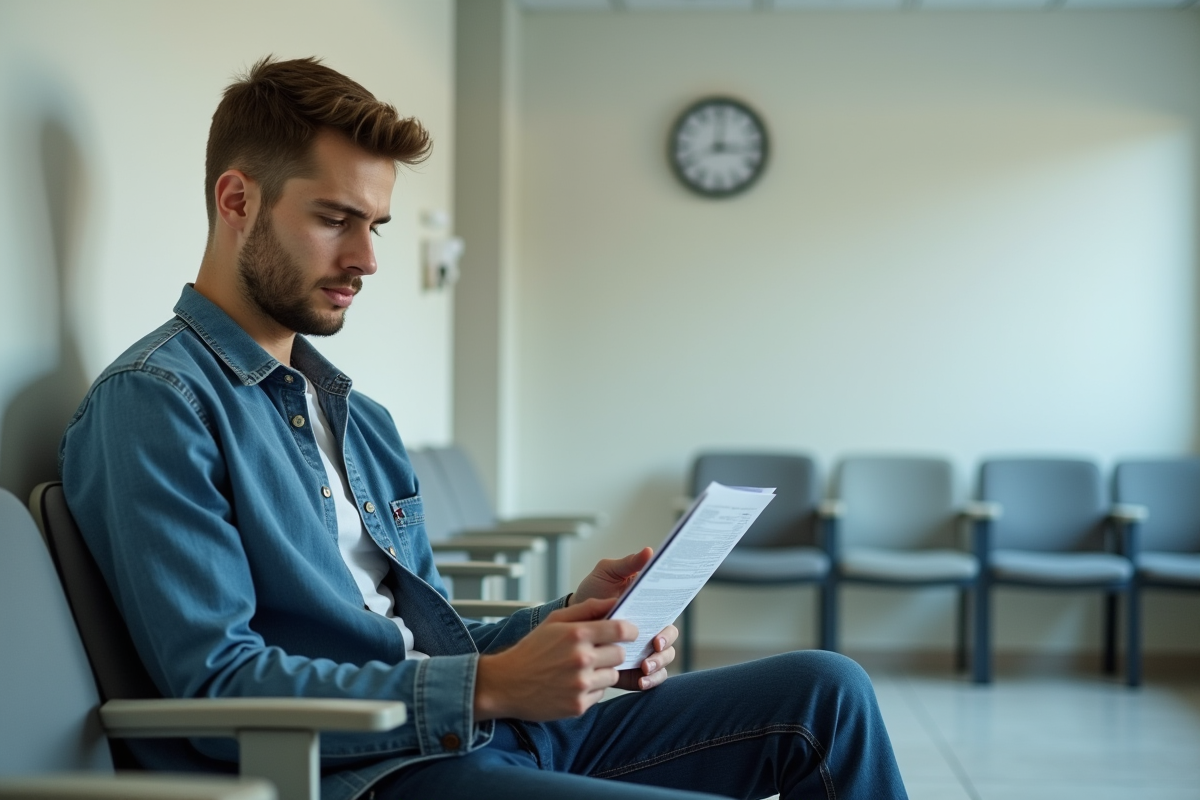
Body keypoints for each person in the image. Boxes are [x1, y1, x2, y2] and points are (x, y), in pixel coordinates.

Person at [60, 57, 908, 800]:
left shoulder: (355, 416)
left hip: (467, 736)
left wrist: (572, 626)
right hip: (363, 774)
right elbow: (218, 691)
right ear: (236, 198)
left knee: (826, 694)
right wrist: (492, 688)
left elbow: (423, 642)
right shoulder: (157, 403)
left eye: (376, 225)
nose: (367, 259)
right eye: (334, 219)